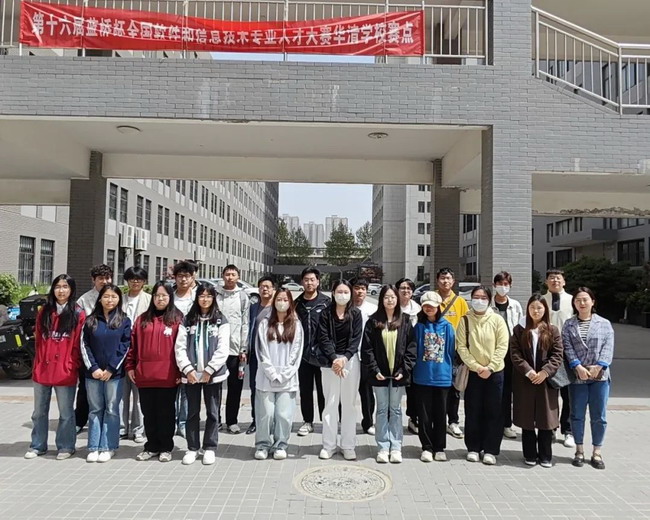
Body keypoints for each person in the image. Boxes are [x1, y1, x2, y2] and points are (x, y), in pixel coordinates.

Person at [25, 274, 85, 460]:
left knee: (66, 412)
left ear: (71, 290)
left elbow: (78, 344)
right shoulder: (44, 311)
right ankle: (38, 445)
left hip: (64, 370)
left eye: (65, 287)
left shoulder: (78, 313)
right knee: (39, 412)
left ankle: (66, 446)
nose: (61, 290)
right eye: (58, 286)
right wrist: (38, 363)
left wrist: (71, 365)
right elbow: (38, 342)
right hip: (43, 369)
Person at [127, 282, 183, 463]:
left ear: (170, 297)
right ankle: (151, 446)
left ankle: (166, 447)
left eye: (164, 295)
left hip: (168, 375)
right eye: (157, 295)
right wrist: (130, 366)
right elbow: (132, 346)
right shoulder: (142, 319)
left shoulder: (177, 319)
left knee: (166, 412)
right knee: (148, 412)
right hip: (145, 375)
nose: (160, 299)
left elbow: (182, 348)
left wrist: (180, 372)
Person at [175, 282, 230, 465]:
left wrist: (209, 370)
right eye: (201, 296)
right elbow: (179, 347)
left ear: (214, 298)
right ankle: (192, 447)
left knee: (213, 412)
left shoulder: (220, 320)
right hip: (191, 375)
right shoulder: (188, 320)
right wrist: (188, 369)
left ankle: (210, 447)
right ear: (196, 298)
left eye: (209, 296)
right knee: (192, 412)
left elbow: (223, 348)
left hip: (212, 375)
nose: (205, 299)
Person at [361, 285, 416, 464]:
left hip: (398, 375)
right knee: (382, 409)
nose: (390, 300)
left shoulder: (405, 321)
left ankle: (396, 447)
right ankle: (383, 447)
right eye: (386, 297)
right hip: (380, 375)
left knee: (396, 410)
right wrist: (375, 370)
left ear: (397, 299)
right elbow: (367, 349)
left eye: (393, 297)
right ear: (381, 300)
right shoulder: (373, 321)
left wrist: (404, 369)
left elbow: (411, 348)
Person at [456, 285, 509, 465]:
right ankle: (473, 448)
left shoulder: (497, 320)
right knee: (473, 410)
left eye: (483, 297)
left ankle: (490, 449)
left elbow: (503, 345)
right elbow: (461, 347)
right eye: (476, 297)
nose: (479, 301)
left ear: (489, 300)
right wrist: (477, 367)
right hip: (473, 372)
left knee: (494, 411)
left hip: (495, 373)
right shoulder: (465, 320)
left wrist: (490, 367)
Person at [562, 287, 614, 470]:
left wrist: (599, 366)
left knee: (599, 415)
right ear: (574, 304)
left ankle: (597, 452)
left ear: (593, 302)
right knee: (577, 414)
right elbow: (567, 347)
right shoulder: (568, 324)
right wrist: (577, 366)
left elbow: (608, 347)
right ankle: (579, 450)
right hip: (578, 376)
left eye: (585, 299)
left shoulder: (604, 324)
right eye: (578, 300)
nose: (582, 303)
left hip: (600, 377)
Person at [510, 294, 563, 467]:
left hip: (546, 381)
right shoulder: (519, 330)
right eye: (532, 307)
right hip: (526, 380)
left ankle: (546, 455)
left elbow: (557, 354)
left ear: (545, 310)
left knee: (545, 418)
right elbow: (515, 353)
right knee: (527, 418)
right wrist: (528, 371)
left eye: (539, 308)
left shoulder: (552, 330)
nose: (536, 311)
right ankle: (530, 454)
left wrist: (545, 372)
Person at [81, 284, 131, 463]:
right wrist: (93, 368)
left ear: (119, 299)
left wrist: (111, 368)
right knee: (95, 409)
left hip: (114, 375)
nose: (110, 300)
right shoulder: (90, 320)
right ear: (100, 298)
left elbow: (125, 346)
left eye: (114, 297)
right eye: (106, 296)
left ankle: (109, 446)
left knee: (111, 409)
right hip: (93, 374)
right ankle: (94, 446)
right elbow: (84, 345)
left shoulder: (124, 321)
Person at [254, 289, 304, 460]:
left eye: (285, 300)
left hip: (287, 379)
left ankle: (280, 445)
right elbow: (261, 351)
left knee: (283, 414)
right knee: (266, 413)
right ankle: (262, 445)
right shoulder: (265, 323)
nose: (282, 303)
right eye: (279, 299)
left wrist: (284, 374)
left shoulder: (296, 325)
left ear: (290, 303)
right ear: (274, 302)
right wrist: (271, 372)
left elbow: (296, 352)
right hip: (266, 377)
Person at [316, 279, 362, 460]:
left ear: (350, 294)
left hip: (349, 361)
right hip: (330, 363)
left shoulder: (356, 313)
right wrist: (334, 359)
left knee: (349, 404)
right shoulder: (325, 313)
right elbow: (323, 338)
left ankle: (348, 445)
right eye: (339, 292)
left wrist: (345, 358)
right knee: (330, 403)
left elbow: (356, 339)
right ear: (333, 293)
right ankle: (329, 445)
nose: (342, 295)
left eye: (345, 292)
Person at [412, 291, 456, 463]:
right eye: (426, 306)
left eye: (432, 305)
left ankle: (439, 448)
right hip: (422, 377)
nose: (429, 308)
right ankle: (426, 447)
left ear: (438, 307)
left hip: (442, 377)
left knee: (440, 414)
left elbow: (451, 350)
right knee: (424, 415)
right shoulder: (418, 327)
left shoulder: (447, 327)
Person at [75, 263, 113, 434]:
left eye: (107, 278)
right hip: (89, 352)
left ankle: (107, 422)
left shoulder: (115, 296)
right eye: (100, 278)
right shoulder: (84, 300)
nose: (104, 281)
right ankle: (79, 420)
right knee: (85, 389)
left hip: (110, 352)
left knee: (110, 392)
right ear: (93, 280)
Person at [294, 267, 330, 436]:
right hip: (303, 355)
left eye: (312, 280)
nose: (309, 283)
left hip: (323, 354)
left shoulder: (326, 302)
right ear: (302, 282)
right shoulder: (297, 303)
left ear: (318, 281)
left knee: (324, 390)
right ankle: (307, 421)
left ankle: (326, 421)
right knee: (305, 390)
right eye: (306, 280)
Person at [542, 269, 575, 448]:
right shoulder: (541, 300)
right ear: (546, 282)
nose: (555, 281)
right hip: (546, 352)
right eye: (551, 278)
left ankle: (568, 430)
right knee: (549, 394)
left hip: (568, 352)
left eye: (558, 278)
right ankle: (551, 427)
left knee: (568, 394)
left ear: (564, 281)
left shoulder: (572, 300)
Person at [434, 267, 469, 440]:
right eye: (442, 278)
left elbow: (466, 325)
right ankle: (437, 420)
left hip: (454, 351)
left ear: (453, 281)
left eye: (448, 278)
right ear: (437, 280)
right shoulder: (431, 298)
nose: (445, 281)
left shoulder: (460, 302)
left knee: (455, 387)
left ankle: (453, 421)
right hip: (434, 350)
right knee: (437, 387)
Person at [216, 264, 250, 434]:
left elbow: (245, 323)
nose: (230, 277)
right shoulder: (215, 295)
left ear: (238, 277)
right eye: (227, 274)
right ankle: (215, 420)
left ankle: (232, 421)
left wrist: (243, 348)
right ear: (223, 276)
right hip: (216, 350)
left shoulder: (243, 297)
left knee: (235, 387)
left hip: (235, 350)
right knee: (214, 387)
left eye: (233, 274)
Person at [491, 271, 524, 440]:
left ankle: (506, 424)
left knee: (508, 389)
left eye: (506, 284)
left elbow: (520, 328)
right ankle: (493, 422)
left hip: (511, 353)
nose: (503, 287)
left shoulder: (515, 305)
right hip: (493, 352)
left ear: (510, 286)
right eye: (500, 284)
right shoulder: (488, 306)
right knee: (494, 389)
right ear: (494, 285)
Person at [120, 266, 151, 444]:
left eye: (139, 279)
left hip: (141, 352)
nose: (135, 282)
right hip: (120, 352)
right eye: (132, 278)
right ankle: (122, 428)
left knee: (139, 395)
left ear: (144, 281)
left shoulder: (149, 300)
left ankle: (139, 429)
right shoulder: (119, 299)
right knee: (121, 394)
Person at [246, 276, 275, 435]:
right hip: (255, 355)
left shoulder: (277, 308)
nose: (265, 289)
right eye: (262, 286)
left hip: (273, 356)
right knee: (255, 387)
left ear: (273, 290)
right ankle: (255, 420)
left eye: (268, 286)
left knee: (273, 387)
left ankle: (272, 421)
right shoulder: (253, 308)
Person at [172, 260, 198, 438]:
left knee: (187, 389)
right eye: (180, 276)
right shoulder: (169, 296)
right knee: (172, 388)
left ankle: (183, 423)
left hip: (190, 348)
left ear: (192, 277)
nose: (183, 279)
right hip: (169, 346)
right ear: (175, 277)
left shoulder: (197, 298)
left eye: (186, 276)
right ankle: (172, 421)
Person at [351, 278, 378, 435]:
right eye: (357, 288)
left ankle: (368, 422)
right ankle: (343, 421)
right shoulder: (345, 308)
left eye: (363, 288)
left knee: (367, 392)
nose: (360, 291)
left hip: (366, 356)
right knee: (345, 392)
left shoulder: (373, 309)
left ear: (367, 291)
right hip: (348, 356)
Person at [395, 277, 421, 435]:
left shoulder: (418, 309)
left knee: (413, 389)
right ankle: (392, 418)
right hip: (395, 354)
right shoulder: (392, 307)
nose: (406, 291)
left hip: (413, 354)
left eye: (409, 288)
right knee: (394, 389)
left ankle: (413, 418)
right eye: (402, 288)